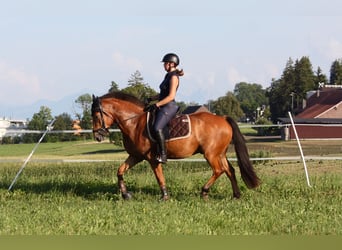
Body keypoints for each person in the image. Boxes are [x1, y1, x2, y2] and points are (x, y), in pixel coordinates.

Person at [145, 53, 184, 163]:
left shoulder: (174, 77)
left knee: (157, 128)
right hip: (164, 105)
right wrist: (151, 98)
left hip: (169, 107)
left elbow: (171, 96)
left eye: (165, 63)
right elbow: (163, 93)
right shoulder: (168, 75)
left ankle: (163, 155)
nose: (164, 66)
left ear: (172, 64)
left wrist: (157, 104)